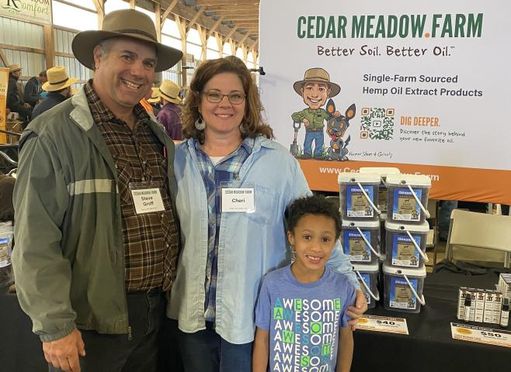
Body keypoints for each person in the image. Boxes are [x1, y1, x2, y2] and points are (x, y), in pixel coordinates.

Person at [168, 56, 366, 371]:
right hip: (192, 316)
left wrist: (346, 279)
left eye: (235, 96)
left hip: (247, 318)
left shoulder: (277, 163)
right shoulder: (177, 160)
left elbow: (313, 223)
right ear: (198, 100)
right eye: (214, 94)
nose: (225, 104)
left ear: (248, 103)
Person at [12, 9, 182, 372]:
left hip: (155, 315)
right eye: (127, 56)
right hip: (92, 322)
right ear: (98, 57)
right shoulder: (54, 135)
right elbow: (33, 240)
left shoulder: (154, 134)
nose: (139, 71)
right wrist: (55, 325)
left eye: (148, 63)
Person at [253, 194, 356, 372]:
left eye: (325, 239)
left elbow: (346, 339)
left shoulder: (343, 286)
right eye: (307, 237)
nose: (316, 248)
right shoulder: (272, 283)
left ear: (335, 242)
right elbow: (262, 339)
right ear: (292, 238)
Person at [291, 68, 341, 158]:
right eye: (309, 88)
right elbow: (294, 116)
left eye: (321, 89)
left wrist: (335, 116)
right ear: (302, 91)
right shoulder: (305, 112)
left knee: (319, 143)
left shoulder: (323, 112)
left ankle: (318, 154)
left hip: (319, 132)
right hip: (309, 131)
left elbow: (329, 118)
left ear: (328, 92)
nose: (314, 95)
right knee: (307, 143)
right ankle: (307, 154)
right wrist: (303, 119)